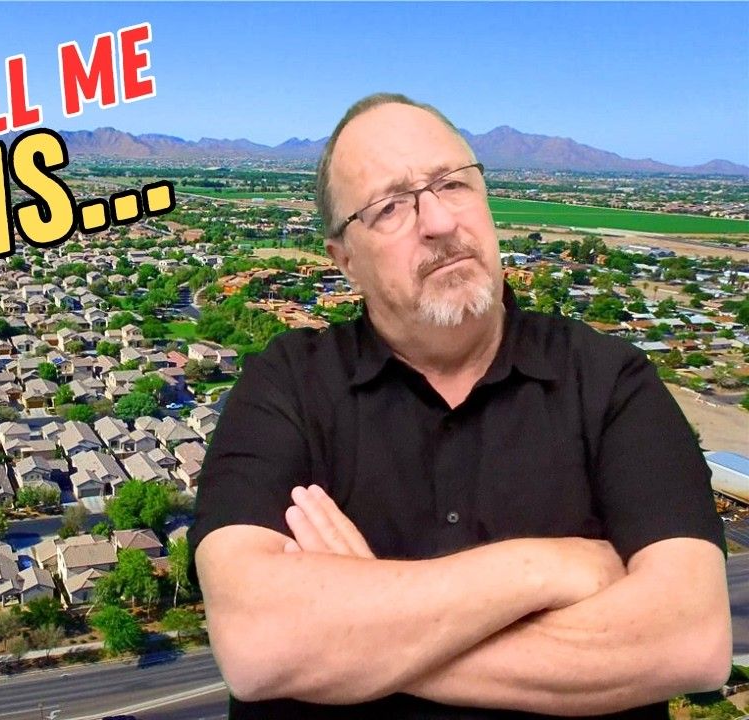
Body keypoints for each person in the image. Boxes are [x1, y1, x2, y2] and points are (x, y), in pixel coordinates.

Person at [189, 93, 730, 719]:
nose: (439, 222)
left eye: (452, 184)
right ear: (344, 262)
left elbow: (690, 642)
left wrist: (363, 631)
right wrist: (544, 568)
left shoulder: (611, 382)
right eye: (390, 206)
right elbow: (259, 645)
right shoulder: (285, 385)